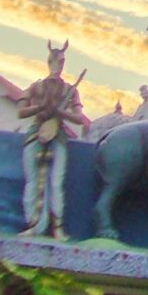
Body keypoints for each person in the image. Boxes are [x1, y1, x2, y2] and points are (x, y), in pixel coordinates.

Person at [19, 41, 88, 240]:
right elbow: (20, 111)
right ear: (49, 62)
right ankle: (33, 224)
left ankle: (57, 227)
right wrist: (40, 108)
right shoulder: (36, 86)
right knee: (33, 181)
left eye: (61, 62)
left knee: (56, 182)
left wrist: (58, 110)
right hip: (35, 133)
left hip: (57, 134)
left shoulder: (70, 90)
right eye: (54, 61)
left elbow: (78, 117)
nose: (58, 66)